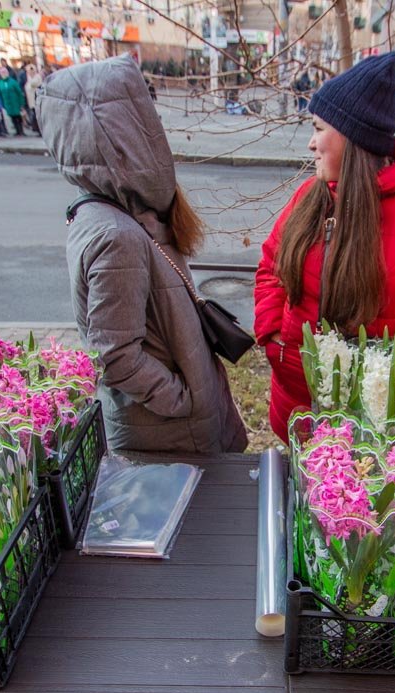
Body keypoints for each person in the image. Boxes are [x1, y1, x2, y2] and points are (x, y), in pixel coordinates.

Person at [253, 52, 395, 443]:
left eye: (318, 129)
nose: (311, 143)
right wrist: (274, 332)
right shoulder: (310, 196)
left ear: (351, 137)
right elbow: (270, 267)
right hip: (296, 406)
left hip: (375, 429)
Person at [36, 55, 248, 454]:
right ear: (119, 137)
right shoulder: (118, 235)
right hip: (167, 435)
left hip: (171, 429)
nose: (155, 134)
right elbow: (115, 357)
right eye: (144, 122)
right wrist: (183, 400)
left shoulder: (120, 213)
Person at [0, 66, 26, 136]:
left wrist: (22, 103)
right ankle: (17, 131)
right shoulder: (0, 83)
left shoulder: (13, 82)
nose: (4, 74)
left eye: (5, 72)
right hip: (7, 104)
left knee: (18, 117)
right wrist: (2, 104)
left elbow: (19, 93)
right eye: (2, 72)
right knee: (12, 117)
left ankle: (21, 131)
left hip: (16, 103)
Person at [24, 63, 43, 133]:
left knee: (37, 116)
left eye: (31, 70)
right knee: (34, 115)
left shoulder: (37, 77)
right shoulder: (29, 78)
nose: (30, 72)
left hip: (37, 100)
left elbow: (33, 84)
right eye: (29, 71)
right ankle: (37, 129)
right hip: (31, 101)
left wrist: (30, 77)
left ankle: (40, 129)